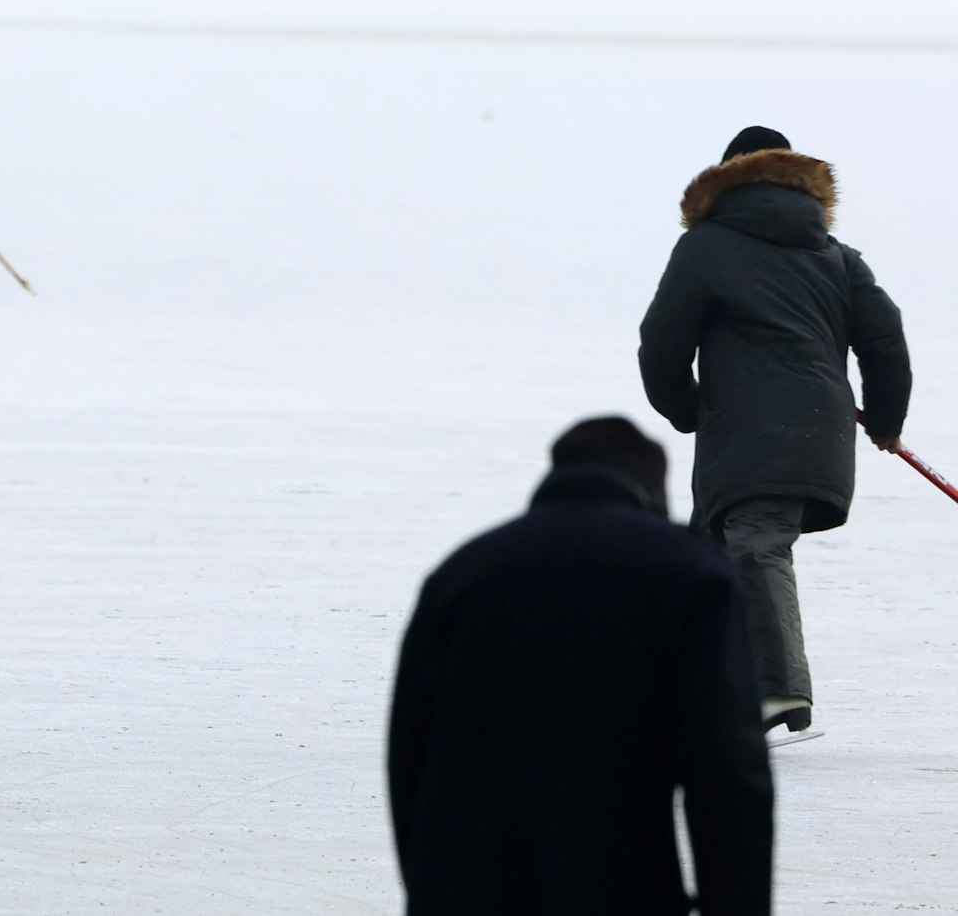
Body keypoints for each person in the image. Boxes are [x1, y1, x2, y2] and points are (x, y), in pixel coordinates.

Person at [389, 416, 773, 915]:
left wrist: (428, 888)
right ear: (653, 491)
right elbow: (726, 767)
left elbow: (409, 753)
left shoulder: (465, 572)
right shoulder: (689, 572)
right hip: (622, 889)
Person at [640, 126, 911, 739]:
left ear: (727, 178)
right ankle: (694, 692)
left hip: (744, 432)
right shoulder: (837, 258)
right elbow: (885, 343)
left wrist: (686, 408)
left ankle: (776, 691)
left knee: (756, 542)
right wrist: (886, 421)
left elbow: (660, 346)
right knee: (706, 557)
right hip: (817, 429)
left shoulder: (706, 247)